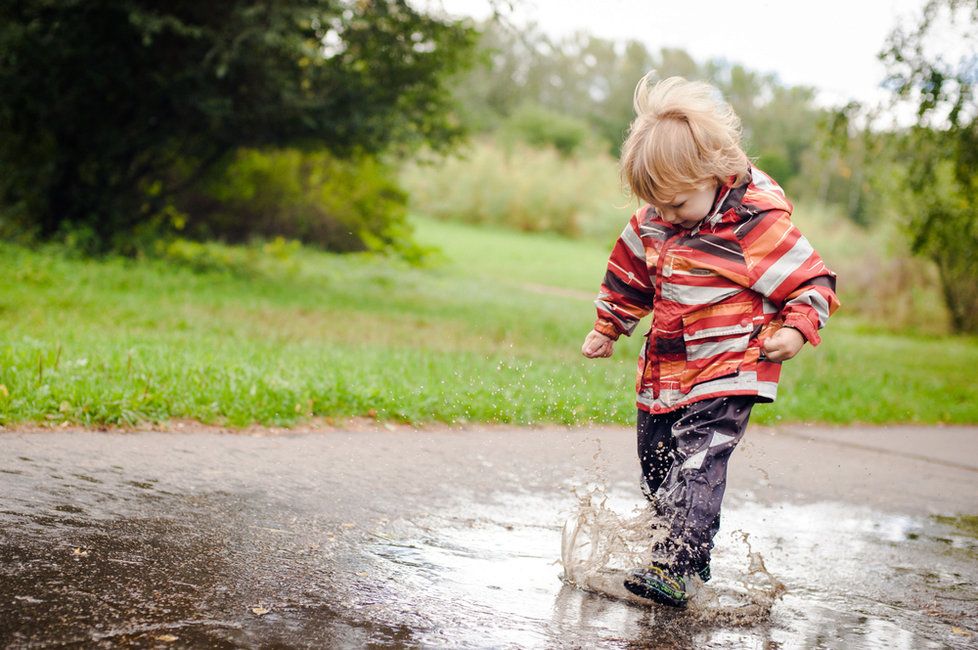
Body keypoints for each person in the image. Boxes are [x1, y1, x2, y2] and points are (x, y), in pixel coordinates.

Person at [581, 74, 840, 608]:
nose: (666, 217)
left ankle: (672, 566)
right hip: (666, 369)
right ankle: (688, 555)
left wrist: (794, 329)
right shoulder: (653, 218)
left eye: (676, 205)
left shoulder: (753, 226)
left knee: (699, 461)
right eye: (657, 206)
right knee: (658, 463)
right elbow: (629, 276)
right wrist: (609, 324)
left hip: (730, 364)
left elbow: (812, 280)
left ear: (715, 173)